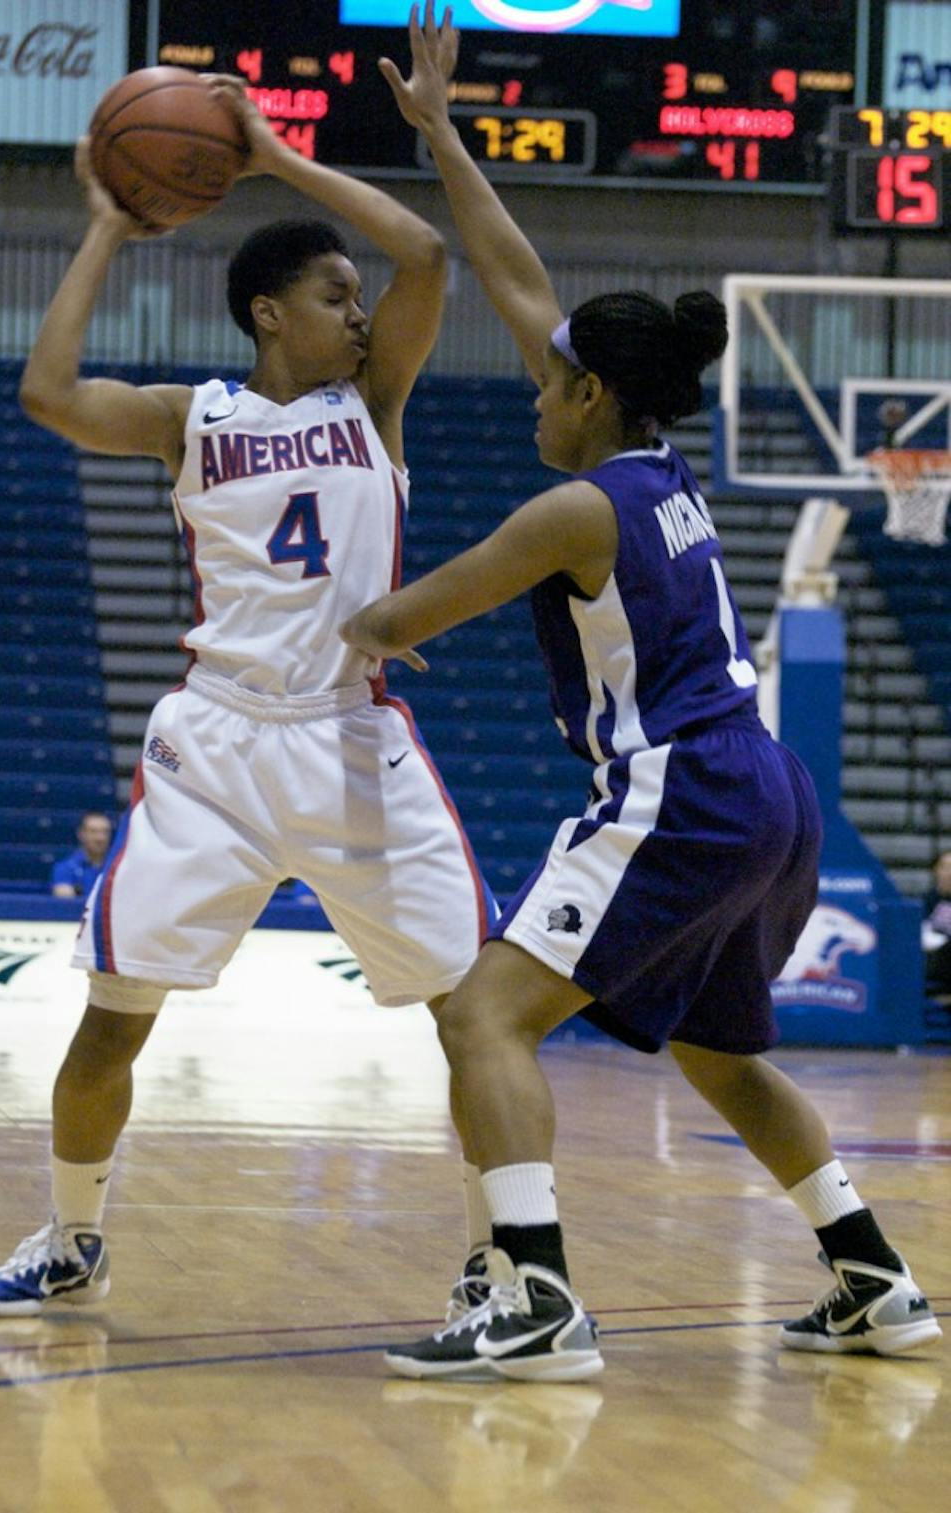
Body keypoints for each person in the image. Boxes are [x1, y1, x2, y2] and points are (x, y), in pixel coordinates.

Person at [337, 3, 943, 1380]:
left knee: (482, 1014)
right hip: (769, 791)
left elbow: (399, 612)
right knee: (725, 1059)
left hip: (679, 787)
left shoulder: (571, 509)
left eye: (552, 380)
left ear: (594, 390)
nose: (532, 391)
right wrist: (439, 133)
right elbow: (512, 269)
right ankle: (875, 1279)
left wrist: (346, 594)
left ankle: (536, 1298)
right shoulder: (660, 471)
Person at [0, 70, 496, 1317]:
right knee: (113, 1015)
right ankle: (72, 1233)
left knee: (472, 1012)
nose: (358, 312)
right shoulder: (187, 419)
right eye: (331, 294)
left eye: (357, 299)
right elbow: (46, 394)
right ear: (268, 312)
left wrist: (269, 154)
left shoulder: (378, 404)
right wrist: (107, 223)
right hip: (218, 743)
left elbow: (421, 250)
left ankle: (499, 1250)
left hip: (351, 735)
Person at [50, 811, 113, 898]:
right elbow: (64, 900)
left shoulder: (118, 867)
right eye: (93, 832)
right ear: (81, 834)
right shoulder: (65, 868)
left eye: (105, 832)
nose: (100, 838)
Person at [922, 848, 951, 1001]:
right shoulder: (929, 899)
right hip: (932, 958)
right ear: (936, 870)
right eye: (945, 867)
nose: (949, 873)